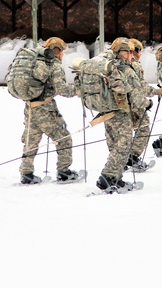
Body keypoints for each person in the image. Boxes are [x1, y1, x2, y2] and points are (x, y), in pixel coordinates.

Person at [17, 37, 82, 184]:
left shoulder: (34, 62)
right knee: (63, 138)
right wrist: (79, 87)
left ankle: (26, 173)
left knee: (31, 140)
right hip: (45, 109)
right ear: (57, 51)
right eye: (62, 52)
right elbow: (64, 90)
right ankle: (64, 171)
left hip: (30, 108)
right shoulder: (54, 65)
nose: (62, 55)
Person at [95, 38, 148, 192]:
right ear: (122, 53)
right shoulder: (125, 69)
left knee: (114, 144)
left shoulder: (105, 66)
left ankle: (116, 178)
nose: (131, 54)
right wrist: (147, 104)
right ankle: (108, 176)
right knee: (124, 145)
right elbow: (135, 93)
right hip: (120, 112)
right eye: (129, 52)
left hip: (106, 111)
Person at [126, 39, 162, 170]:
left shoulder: (117, 64)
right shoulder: (134, 65)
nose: (140, 54)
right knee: (143, 128)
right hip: (134, 103)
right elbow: (139, 86)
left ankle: (120, 159)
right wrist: (155, 92)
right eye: (139, 51)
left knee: (122, 132)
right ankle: (133, 157)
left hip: (120, 103)